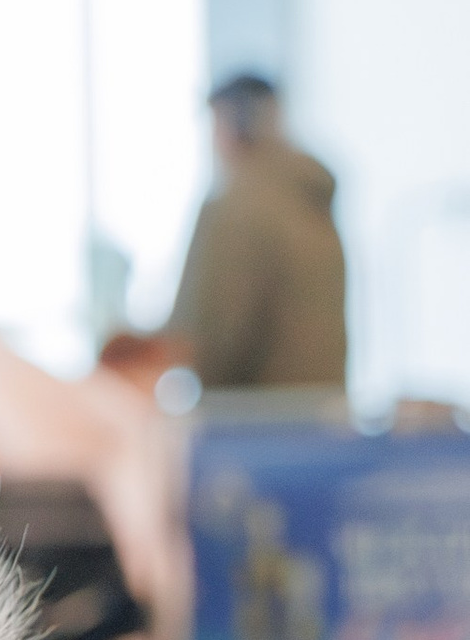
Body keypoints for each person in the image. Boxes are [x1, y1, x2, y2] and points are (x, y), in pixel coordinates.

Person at [110, 73, 348, 400]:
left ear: (235, 126)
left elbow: (213, 337)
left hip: (251, 419)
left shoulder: (237, 208)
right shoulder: (308, 201)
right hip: (319, 413)